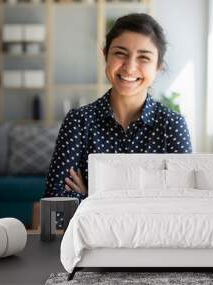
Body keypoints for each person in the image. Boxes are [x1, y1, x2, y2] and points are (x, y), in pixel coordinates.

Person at [45, 13, 192, 201]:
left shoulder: (172, 126)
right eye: (120, 53)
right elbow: (56, 204)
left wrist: (92, 197)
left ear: (158, 67)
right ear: (105, 55)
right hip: (89, 232)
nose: (130, 68)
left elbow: (181, 205)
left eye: (144, 58)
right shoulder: (78, 121)